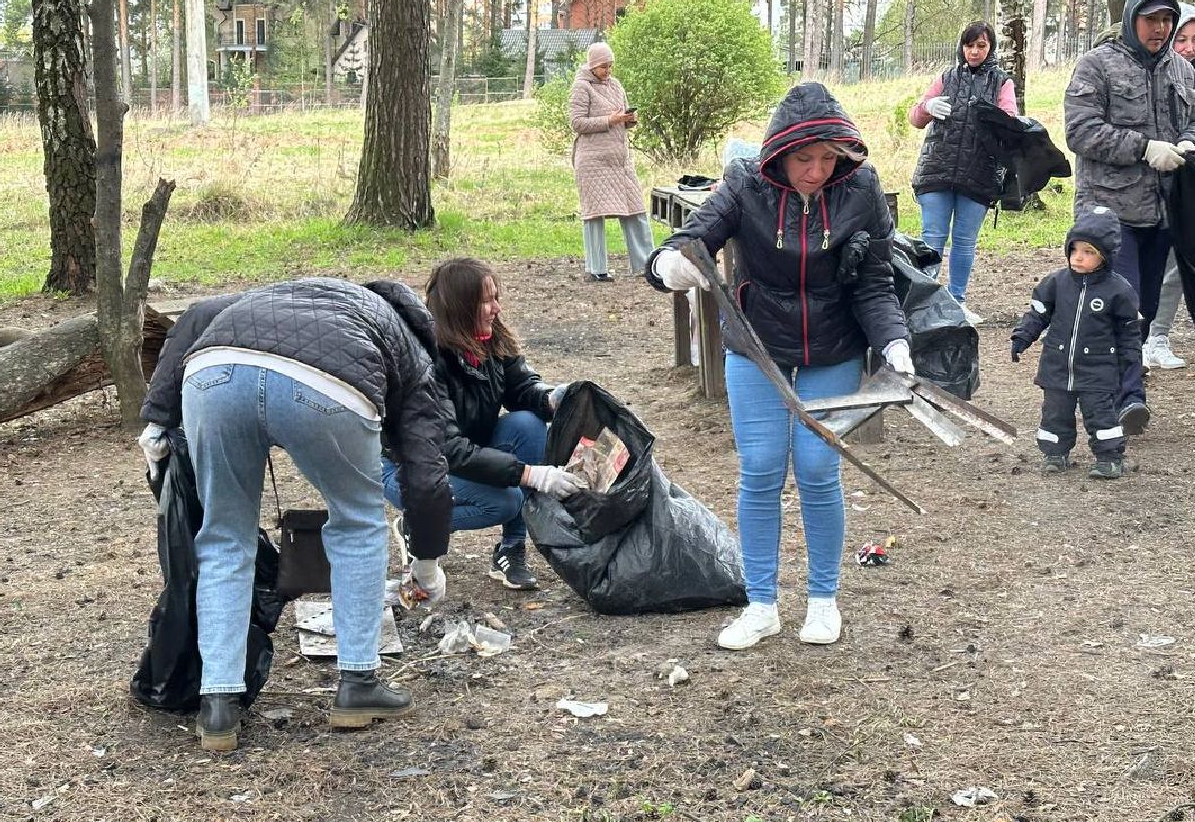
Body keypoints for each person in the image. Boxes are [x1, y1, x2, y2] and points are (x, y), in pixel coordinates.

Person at [644, 82, 911, 649]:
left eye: (827, 159)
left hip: (833, 350)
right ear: (778, 153)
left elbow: (875, 281)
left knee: (817, 471)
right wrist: (670, 264)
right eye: (804, 158)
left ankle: (822, 600)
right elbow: (694, 236)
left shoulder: (860, 190)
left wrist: (893, 342)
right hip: (756, 349)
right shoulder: (746, 184)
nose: (816, 171)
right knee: (761, 470)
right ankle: (760, 604)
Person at [138, 278, 454, 751]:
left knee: (224, 534)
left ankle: (219, 704)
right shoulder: (412, 348)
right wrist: (426, 561)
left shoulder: (282, 294)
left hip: (215, 374)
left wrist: (158, 417)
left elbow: (199, 315)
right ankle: (358, 685)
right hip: (325, 387)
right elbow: (427, 472)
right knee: (359, 521)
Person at [383, 258, 584, 591]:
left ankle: (511, 549)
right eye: (487, 300)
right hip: (409, 467)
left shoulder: (488, 339)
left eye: (496, 297)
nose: (497, 308)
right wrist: (532, 475)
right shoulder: (426, 363)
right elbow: (447, 449)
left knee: (529, 424)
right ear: (461, 307)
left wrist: (552, 398)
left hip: (466, 450)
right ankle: (417, 525)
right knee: (504, 502)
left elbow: (521, 388)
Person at [1064, 0, 1195, 436]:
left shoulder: (1182, 71)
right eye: (1152, 19)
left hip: (1161, 212)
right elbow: (1080, 130)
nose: (1161, 28)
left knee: (1143, 306)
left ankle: (1122, 386)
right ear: (1132, 19)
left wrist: (1190, 141)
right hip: (1107, 212)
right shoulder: (1097, 65)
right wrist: (1144, 147)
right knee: (1113, 305)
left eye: (1168, 19)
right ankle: (1124, 395)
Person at [1010, 206, 1140, 480]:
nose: (1078, 257)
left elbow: (1129, 331)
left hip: (1099, 369)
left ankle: (1109, 457)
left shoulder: (1119, 290)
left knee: (1101, 415)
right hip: (1057, 365)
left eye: (1089, 252)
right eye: (1075, 249)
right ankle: (1054, 453)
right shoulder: (1056, 283)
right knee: (1055, 413)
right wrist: (1022, 337)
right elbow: (1037, 314)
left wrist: (1130, 360)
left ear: (1105, 257)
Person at [909, 21, 1019, 324]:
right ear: (962, 47)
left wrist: (996, 117)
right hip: (937, 170)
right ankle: (923, 303)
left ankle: (957, 301)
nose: (974, 51)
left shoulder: (1002, 83)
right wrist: (928, 106)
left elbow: (1010, 122)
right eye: (969, 45)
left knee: (964, 240)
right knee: (932, 237)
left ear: (990, 48)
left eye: (981, 45)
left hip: (979, 173)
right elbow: (915, 117)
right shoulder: (946, 77)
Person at [1143, 3, 1195, 373]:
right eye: (1182, 39)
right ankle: (1149, 336)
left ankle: (1181, 337)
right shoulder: (1153, 73)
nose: (1190, 47)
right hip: (1155, 179)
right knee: (1161, 264)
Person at [569, 41, 655, 283]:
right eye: (604, 66)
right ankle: (597, 269)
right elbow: (577, 123)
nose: (608, 70)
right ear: (593, 65)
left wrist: (628, 119)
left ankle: (646, 263)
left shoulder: (616, 85)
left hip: (620, 161)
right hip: (593, 162)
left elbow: (622, 116)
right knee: (595, 215)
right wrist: (610, 119)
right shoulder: (581, 87)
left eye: (610, 66)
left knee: (636, 209)